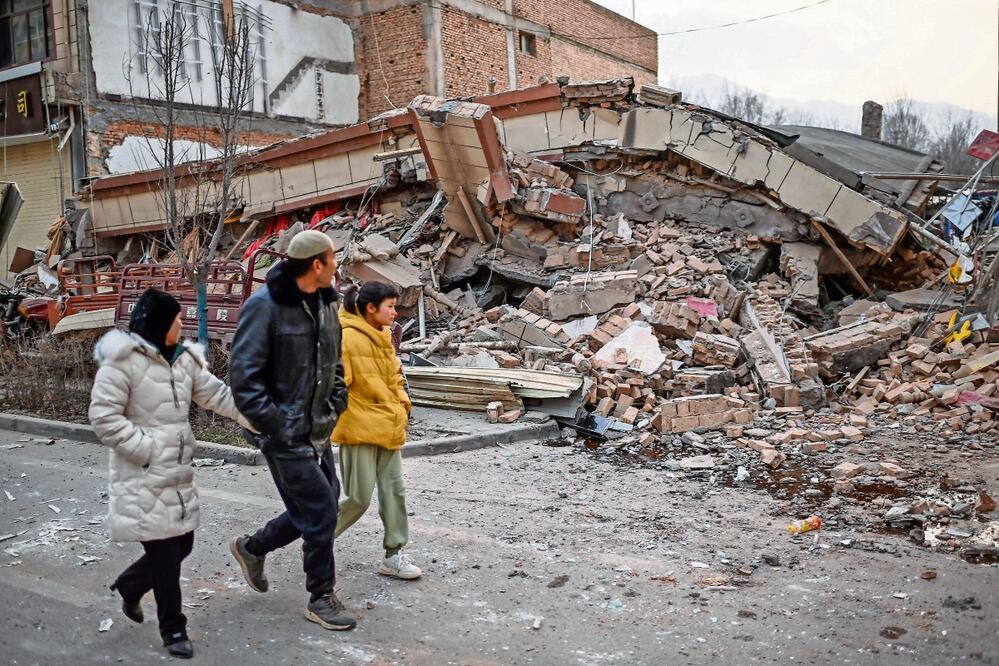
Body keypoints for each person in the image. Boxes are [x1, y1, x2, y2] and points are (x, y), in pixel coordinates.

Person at [89, 288, 251, 659]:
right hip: (144, 472)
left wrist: (253, 417)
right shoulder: (122, 362)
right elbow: (103, 417)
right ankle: (173, 629)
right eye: (177, 317)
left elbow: (215, 394)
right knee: (164, 557)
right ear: (160, 324)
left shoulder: (183, 360)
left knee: (183, 545)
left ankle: (130, 585)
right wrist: (146, 450)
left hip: (176, 473)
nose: (183, 323)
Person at [227, 230, 356, 631]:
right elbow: (243, 380)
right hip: (282, 434)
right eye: (333, 259)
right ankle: (321, 596)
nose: (337, 266)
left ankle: (252, 547)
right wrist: (278, 425)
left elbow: (332, 361)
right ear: (316, 265)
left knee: (324, 503)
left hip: (317, 428)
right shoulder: (264, 307)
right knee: (320, 510)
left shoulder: (323, 303)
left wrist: (337, 401)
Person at [332, 282, 422, 580]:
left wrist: (403, 406)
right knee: (358, 498)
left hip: (389, 425)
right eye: (391, 306)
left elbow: (395, 377)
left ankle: (393, 555)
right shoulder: (347, 338)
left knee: (394, 492)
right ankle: (319, 540)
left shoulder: (383, 335)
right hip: (359, 429)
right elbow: (335, 386)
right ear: (371, 308)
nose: (395, 312)